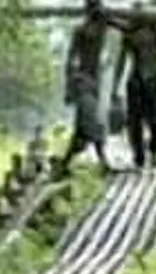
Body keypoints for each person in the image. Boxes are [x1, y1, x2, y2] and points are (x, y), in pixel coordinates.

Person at [110, 3, 156, 169]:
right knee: (135, 121)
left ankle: (153, 151)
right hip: (136, 81)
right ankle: (139, 156)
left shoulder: (154, 30)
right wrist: (115, 87)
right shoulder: (129, 33)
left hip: (152, 79)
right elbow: (121, 61)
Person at [55, 0, 113, 177]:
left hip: (94, 82)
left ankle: (64, 165)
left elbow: (118, 21)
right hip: (82, 81)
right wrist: (69, 87)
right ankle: (103, 161)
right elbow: (71, 58)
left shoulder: (102, 26)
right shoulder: (80, 30)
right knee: (92, 122)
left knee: (82, 128)